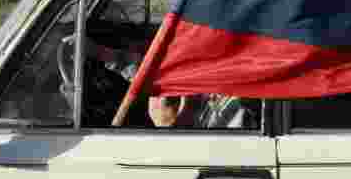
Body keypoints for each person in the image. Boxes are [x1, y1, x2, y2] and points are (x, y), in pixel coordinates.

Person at [85, 28, 258, 130]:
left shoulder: (236, 108)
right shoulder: (203, 75)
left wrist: (176, 125)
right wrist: (101, 53)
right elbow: (150, 74)